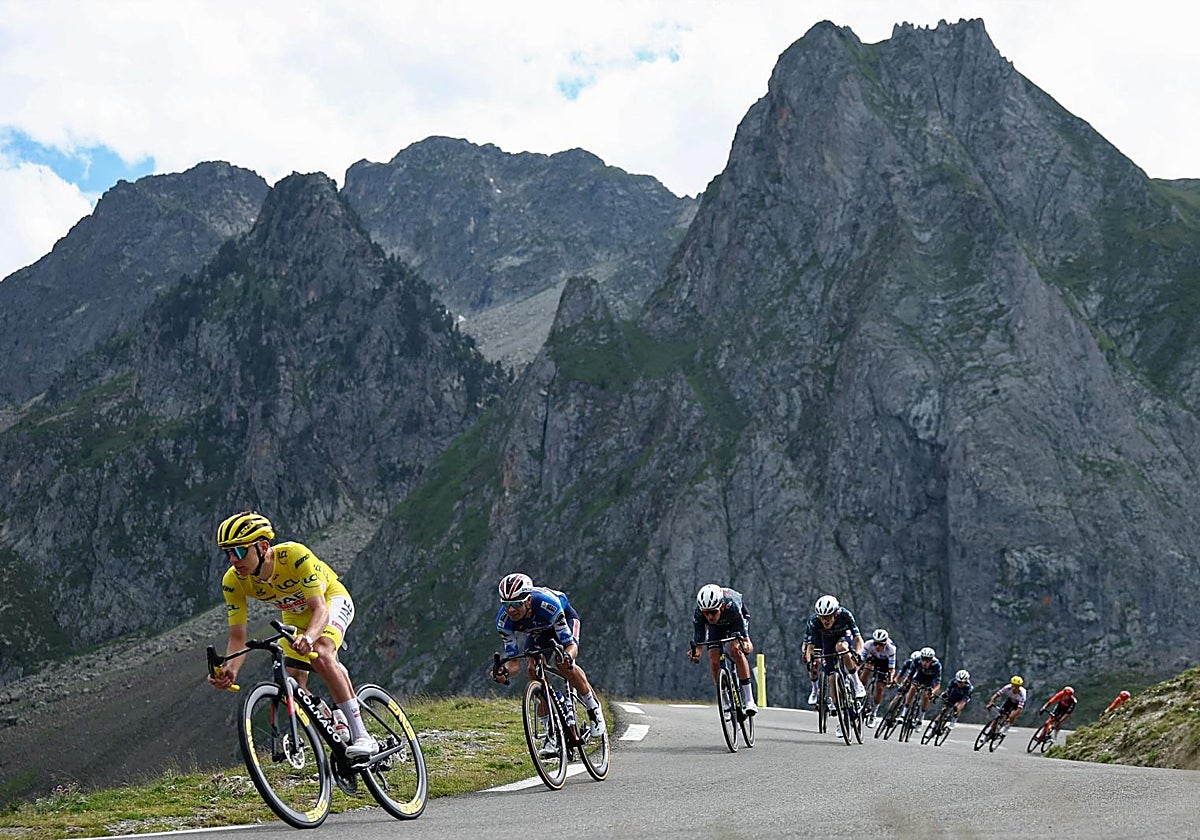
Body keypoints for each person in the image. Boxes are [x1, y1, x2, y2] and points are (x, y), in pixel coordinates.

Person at [208, 511, 378, 759]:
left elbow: (319, 609)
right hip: (294, 616)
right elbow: (237, 636)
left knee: (320, 652)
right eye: (228, 553)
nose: (233, 559)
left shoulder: (294, 556)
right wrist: (231, 669)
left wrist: (308, 638)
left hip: (330, 600)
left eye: (240, 551)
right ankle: (330, 716)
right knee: (292, 683)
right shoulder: (233, 581)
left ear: (263, 546)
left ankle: (363, 736)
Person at [489, 573, 606, 755]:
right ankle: (551, 734)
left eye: (516, 604)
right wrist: (503, 671)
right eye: (506, 604)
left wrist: (568, 656)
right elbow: (514, 663)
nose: (511, 610)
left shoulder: (547, 605)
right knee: (531, 668)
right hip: (538, 633)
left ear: (528, 600)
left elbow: (570, 645)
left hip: (563, 618)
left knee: (563, 663)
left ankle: (593, 708)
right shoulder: (503, 622)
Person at [687, 584, 756, 716]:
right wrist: (696, 653)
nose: (709, 616)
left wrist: (745, 646)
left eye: (713, 612)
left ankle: (749, 700)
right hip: (716, 628)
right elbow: (699, 640)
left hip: (735, 620)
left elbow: (747, 642)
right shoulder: (700, 613)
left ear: (721, 606)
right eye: (706, 613)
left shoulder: (732, 605)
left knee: (736, 651)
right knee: (714, 660)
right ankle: (725, 701)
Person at [803, 595, 866, 737]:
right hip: (827, 642)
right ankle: (842, 717)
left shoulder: (845, 615)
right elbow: (810, 648)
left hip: (843, 637)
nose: (825, 620)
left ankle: (856, 683)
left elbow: (858, 639)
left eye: (828, 617)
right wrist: (809, 661)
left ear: (836, 613)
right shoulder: (814, 621)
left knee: (842, 648)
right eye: (822, 617)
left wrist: (859, 653)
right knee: (831, 679)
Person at [859, 628, 897, 724]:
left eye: (880, 644)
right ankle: (860, 690)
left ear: (885, 643)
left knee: (880, 688)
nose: (877, 647)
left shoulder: (891, 649)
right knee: (867, 668)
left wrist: (891, 678)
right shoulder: (868, 644)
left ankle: (873, 713)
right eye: (875, 643)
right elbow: (861, 660)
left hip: (885, 663)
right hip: (873, 659)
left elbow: (891, 669)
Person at [903, 647, 942, 723]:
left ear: (931, 660)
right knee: (913, 688)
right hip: (920, 676)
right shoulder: (916, 660)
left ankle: (921, 717)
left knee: (926, 695)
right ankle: (904, 712)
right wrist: (906, 682)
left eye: (928, 660)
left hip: (930, 679)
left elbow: (938, 684)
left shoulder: (937, 665)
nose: (925, 662)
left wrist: (933, 692)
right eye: (923, 659)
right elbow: (910, 675)